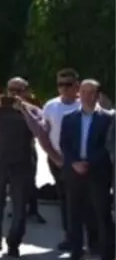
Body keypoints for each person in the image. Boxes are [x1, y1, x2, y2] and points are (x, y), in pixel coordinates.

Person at [0, 77, 54, 259]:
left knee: (19, 205)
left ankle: (14, 243)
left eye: (18, 90)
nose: (14, 94)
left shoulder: (34, 110)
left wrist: (24, 109)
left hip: (22, 162)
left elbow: (39, 131)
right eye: (11, 90)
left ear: (26, 91)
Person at [61, 79, 114, 260]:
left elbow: (107, 146)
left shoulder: (107, 118)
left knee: (101, 214)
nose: (86, 95)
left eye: (91, 92)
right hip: (75, 172)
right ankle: (76, 252)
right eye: (83, 91)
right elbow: (64, 144)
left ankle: (106, 256)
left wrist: (89, 163)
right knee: (74, 213)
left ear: (98, 95)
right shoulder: (69, 118)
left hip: (98, 172)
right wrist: (74, 163)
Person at [42, 69, 85, 245]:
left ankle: (92, 237)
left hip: (83, 160)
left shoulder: (86, 104)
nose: (64, 88)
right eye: (60, 84)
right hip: (59, 160)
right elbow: (43, 134)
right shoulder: (51, 106)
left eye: (68, 84)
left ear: (77, 85)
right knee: (66, 199)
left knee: (86, 199)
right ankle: (71, 236)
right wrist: (54, 157)